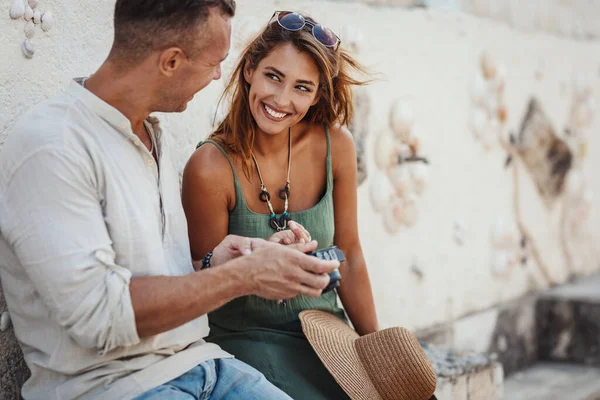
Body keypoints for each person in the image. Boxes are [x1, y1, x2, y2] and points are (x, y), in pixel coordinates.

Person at [0, 2, 341, 399]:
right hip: (113, 388)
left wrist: (225, 260)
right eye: (214, 63)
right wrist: (243, 278)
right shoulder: (51, 146)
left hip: (204, 365)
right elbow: (99, 318)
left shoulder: (147, 134)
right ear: (172, 62)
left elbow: (157, 277)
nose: (218, 76)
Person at [182, 11, 379, 399]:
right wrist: (257, 263)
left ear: (319, 93)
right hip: (245, 344)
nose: (282, 100)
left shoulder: (335, 145)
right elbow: (200, 282)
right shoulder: (209, 167)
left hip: (329, 339)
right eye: (274, 76)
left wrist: (375, 352)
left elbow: (350, 254)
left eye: (302, 87)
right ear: (250, 69)